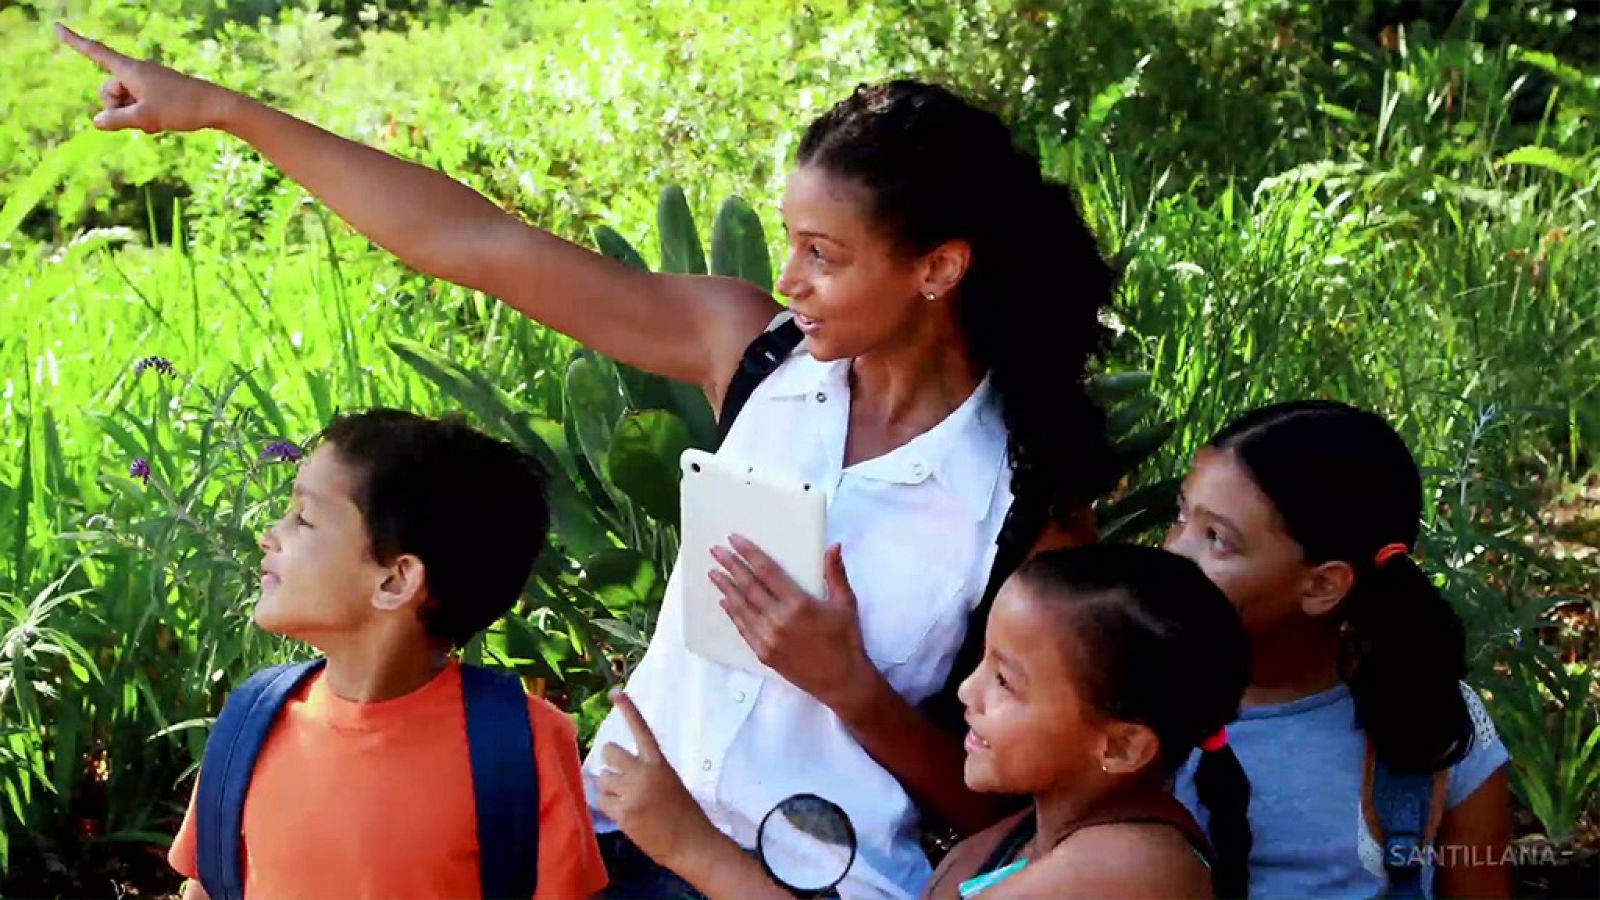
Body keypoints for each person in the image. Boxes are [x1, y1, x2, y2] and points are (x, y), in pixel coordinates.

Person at [57, 25, 1118, 897]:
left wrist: (851, 688)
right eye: (788, 241)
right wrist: (227, 111)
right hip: (602, 849)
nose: (786, 278)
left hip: (812, 886)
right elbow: (478, 244)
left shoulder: (1022, 504)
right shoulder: (749, 358)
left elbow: (1018, 807)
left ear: (937, 268)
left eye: (824, 256)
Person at [594, 545, 1251, 900]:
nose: (968, 691)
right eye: (983, 663)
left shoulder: (1128, 869)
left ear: (1122, 745)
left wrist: (690, 847)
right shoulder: (1031, 830)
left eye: (1005, 682)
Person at [164, 409, 607, 899]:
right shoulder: (252, 722)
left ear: (396, 580)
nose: (269, 534)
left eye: (304, 519)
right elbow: (206, 888)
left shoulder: (521, 747)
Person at [1165, 401, 1513, 898]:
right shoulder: (1127, 701)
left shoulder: (1435, 720)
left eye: (1217, 538)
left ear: (1323, 586)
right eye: (1180, 514)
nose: (1174, 551)